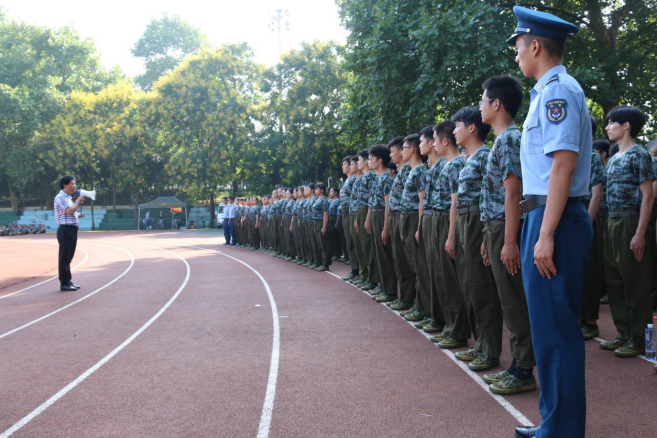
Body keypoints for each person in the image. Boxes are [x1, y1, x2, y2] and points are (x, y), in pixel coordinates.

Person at [508, 6, 593, 437]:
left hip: (553, 219)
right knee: (547, 331)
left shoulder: (558, 92)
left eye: (519, 46)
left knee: (557, 332)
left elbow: (563, 164)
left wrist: (544, 234)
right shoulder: (547, 92)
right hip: (545, 215)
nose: (517, 55)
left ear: (536, 45)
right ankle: (554, 424)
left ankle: (561, 431)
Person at [479, 75, 536, 394]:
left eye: (483, 101)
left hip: (505, 227)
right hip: (496, 227)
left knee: (514, 300)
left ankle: (525, 369)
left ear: (497, 104)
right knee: (508, 299)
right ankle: (518, 362)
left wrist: (510, 241)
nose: (481, 106)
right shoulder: (502, 140)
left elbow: (514, 193)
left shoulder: (510, 139)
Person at [452, 106, 503, 372]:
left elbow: (492, 197)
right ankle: (481, 342)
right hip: (465, 220)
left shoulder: (485, 156)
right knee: (470, 285)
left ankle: (490, 349)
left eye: (457, 126)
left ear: (472, 128)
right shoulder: (470, 158)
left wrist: (485, 234)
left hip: (476, 220)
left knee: (483, 287)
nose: (454, 131)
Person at [601, 105, 654, 357]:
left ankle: (639, 338)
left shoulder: (639, 155)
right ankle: (624, 333)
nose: (607, 127)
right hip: (611, 222)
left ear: (626, 126)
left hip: (630, 222)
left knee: (635, 281)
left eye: (612, 122)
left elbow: (648, 197)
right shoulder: (614, 158)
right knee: (614, 280)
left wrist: (640, 233)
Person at [431, 121, 469, 348]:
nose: (433, 144)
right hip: (440, 219)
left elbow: (455, 202)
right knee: (442, 276)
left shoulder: (456, 165)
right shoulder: (447, 164)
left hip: (447, 219)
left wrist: (451, 235)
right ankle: (450, 326)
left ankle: (458, 330)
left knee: (452, 280)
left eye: (435, 140)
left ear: (445, 141)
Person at [414, 126, 446, 333]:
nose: (421, 145)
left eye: (423, 141)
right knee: (432, 271)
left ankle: (444, 321)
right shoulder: (432, 168)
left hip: (440, 219)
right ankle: (436, 317)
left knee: (441, 274)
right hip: (430, 218)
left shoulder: (446, 165)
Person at [398, 134, 427, 322]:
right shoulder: (411, 171)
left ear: (413, 149)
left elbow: (422, 201)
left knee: (418, 265)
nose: (402, 152)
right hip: (406, 216)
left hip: (413, 217)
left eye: (404, 148)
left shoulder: (420, 171)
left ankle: (422, 307)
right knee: (411, 263)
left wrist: (419, 227)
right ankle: (417, 304)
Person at [386, 137, 416, 312]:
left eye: (394, 151)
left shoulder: (409, 170)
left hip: (404, 216)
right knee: (399, 259)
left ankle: (409, 299)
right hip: (398, 215)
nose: (391, 155)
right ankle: (405, 297)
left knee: (406, 261)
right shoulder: (404, 171)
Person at [366, 144, 398, 303]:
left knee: (385, 254)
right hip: (375, 214)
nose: (369, 161)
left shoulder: (386, 178)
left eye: (371, 159)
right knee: (378, 253)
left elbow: (387, 205)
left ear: (380, 160)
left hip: (381, 216)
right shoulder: (377, 178)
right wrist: (367, 219)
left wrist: (386, 227)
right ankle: (383, 285)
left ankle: (390, 290)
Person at [54, 175, 85, 292]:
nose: (74, 186)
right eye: (72, 183)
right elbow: (70, 211)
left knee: (68, 257)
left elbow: (70, 213)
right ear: (65, 185)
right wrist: (78, 201)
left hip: (71, 229)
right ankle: (64, 283)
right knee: (64, 257)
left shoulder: (67, 198)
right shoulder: (61, 197)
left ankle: (68, 281)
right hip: (66, 230)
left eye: (74, 183)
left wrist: (78, 215)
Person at [340, 157, 360, 280]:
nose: (343, 167)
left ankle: (356, 270)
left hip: (351, 210)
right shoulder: (348, 180)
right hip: (346, 210)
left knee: (353, 240)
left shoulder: (353, 179)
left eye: (345, 164)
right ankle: (354, 268)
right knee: (349, 239)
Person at [311, 183, 332, 271]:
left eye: (317, 189)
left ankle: (325, 264)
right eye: (315, 189)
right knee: (319, 244)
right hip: (316, 222)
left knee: (324, 244)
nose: (315, 190)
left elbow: (325, 214)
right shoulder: (317, 199)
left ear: (322, 190)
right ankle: (320, 262)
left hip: (321, 222)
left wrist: (324, 227)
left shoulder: (323, 200)